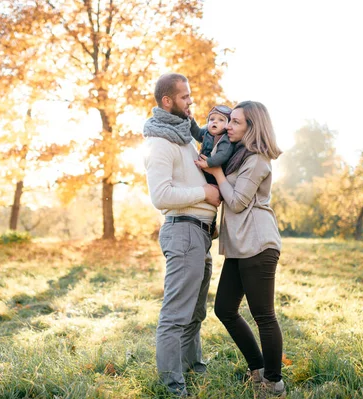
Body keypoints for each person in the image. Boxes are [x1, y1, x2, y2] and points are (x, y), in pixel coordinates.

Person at [198, 101, 286, 398]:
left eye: (235, 122)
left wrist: (217, 172)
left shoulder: (258, 160)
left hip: (258, 243)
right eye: (228, 121)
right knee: (224, 308)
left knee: (264, 315)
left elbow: (236, 202)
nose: (228, 126)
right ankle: (258, 369)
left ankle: (274, 383)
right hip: (239, 245)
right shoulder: (237, 155)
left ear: (252, 127)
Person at [143, 72, 221, 397]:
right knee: (176, 314)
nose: (191, 101)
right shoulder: (160, 142)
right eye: (185, 97)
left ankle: (193, 366)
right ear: (168, 101)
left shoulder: (184, 136)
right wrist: (204, 193)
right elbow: (161, 195)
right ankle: (172, 386)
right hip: (183, 231)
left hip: (199, 234)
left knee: (196, 312)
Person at [191, 104, 236, 186]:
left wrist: (208, 163)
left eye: (221, 120)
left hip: (214, 175)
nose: (215, 121)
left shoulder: (225, 139)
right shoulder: (206, 133)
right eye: (212, 119)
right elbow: (197, 133)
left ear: (228, 124)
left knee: (211, 187)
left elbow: (223, 155)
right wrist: (191, 121)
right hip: (202, 169)